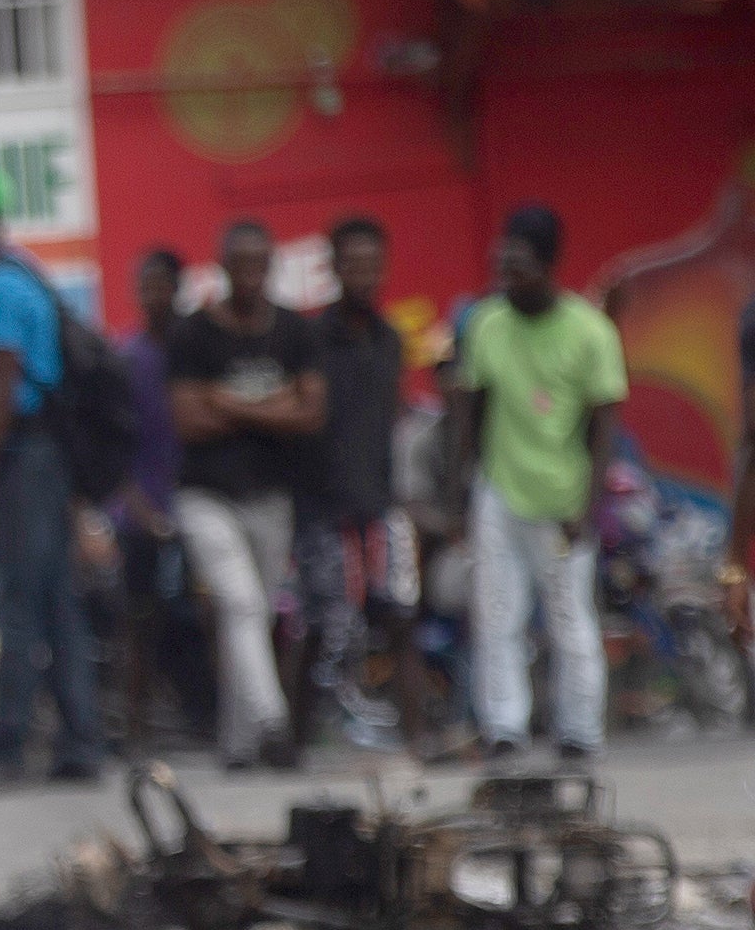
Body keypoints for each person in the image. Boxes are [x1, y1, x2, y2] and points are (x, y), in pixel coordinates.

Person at [0, 159, 101, 786]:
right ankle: (80, 741)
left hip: (26, 456)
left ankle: (7, 750)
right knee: (58, 600)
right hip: (46, 455)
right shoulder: (22, 274)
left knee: (20, 604)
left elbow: (4, 392)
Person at [456, 204, 623, 761]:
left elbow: (604, 428)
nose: (510, 278)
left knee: (570, 620)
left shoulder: (590, 331)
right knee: (497, 615)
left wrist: (589, 506)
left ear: (550, 266)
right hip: (500, 491)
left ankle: (579, 732)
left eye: (522, 267)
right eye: (504, 266)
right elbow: (472, 410)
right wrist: (466, 489)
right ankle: (504, 727)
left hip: (564, 497)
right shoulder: (485, 323)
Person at [166, 219, 326, 771]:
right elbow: (188, 420)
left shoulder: (294, 332)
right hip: (205, 497)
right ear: (222, 265)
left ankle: (236, 746)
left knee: (252, 619)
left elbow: (310, 413)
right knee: (240, 603)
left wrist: (227, 403)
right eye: (241, 263)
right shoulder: (192, 333)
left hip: (271, 496)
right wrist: (272, 406)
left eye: (261, 263)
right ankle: (272, 723)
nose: (252, 274)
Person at [303, 216, 431, 755]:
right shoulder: (311, 339)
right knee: (316, 627)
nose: (362, 275)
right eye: (351, 264)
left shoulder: (389, 339)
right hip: (324, 504)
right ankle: (296, 738)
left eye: (371, 264)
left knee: (401, 618)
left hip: (381, 501)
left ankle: (417, 736)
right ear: (333, 268)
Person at [109, 246, 189, 753]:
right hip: (138, 512)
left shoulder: (195, 353)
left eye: (161, 285)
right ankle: (134, 726)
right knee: (137, 622)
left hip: (194, 506)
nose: (151, 297)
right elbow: (112, 446)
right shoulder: (127, 360)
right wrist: (139, 509)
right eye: (144, 287)